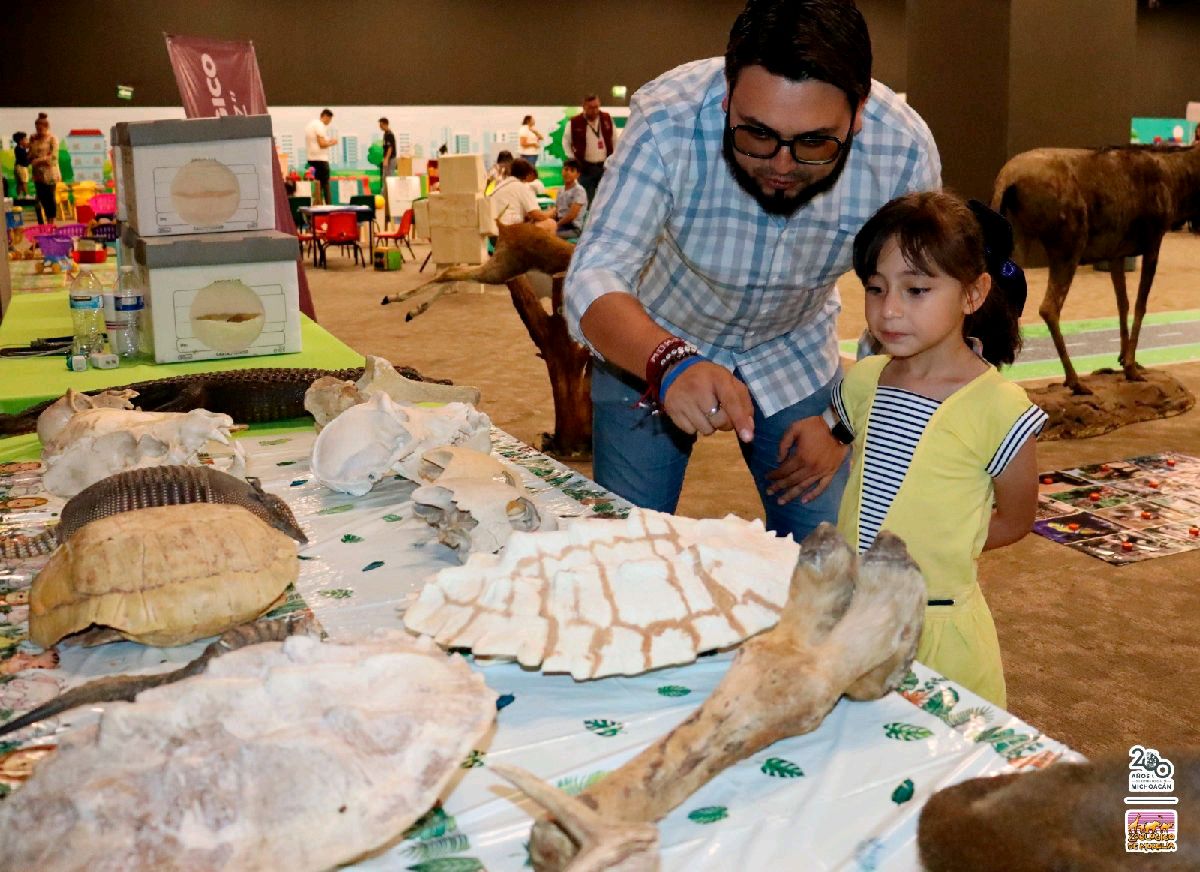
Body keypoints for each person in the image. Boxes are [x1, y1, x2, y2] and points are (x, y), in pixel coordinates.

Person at [564, 0, 939, 543]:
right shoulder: (668, 118)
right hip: (651, 342)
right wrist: (667, 363)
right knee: (627, 550)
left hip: (795, 350)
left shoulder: (902, 150)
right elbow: (594, 272)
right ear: (727, 97)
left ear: (859, 113)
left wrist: (845, 419)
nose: (781, 165)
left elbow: (914, 307)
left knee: (826, 557)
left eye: (814, 142)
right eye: (756, 134)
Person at [818, 191, 1045, 706]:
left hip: (939, 632)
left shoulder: (1000, 408)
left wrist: (946, 542)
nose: (889, 310)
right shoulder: (865, 381)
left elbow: (1015, 517)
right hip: (858, 617)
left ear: (973, 293)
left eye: (917, 289)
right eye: (876, 289)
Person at [562, 94, 616, 203]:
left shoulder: (607, 118)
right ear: (584, 107)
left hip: (605, 166)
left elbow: (614, 139)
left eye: (597, 107)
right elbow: (566, 142)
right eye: (591, 108)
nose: (595, 110)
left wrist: (614, 158)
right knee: (587, 200)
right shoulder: (574, 122)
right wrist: (573, 159)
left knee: (606, 199)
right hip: (585, 168)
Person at [489, 158, 555, 232]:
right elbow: (539, 216)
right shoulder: (520, 186)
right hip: (506, 232)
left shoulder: (501, 185)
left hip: (493, 231)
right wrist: (552, 212)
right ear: (528, 174)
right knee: (550, 224)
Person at [28, 114, 60, 224]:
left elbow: (54, 157)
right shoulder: (34, 139)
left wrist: (39, 160)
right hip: (38, 175)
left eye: (41, 128)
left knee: (50, 199)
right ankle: (45, 222)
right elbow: (31, 154)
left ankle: (52, 222)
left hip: (50, 174)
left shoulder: (52, 139)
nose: (38, 131)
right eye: (37, 128)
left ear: (46, 127)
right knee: (42, 199)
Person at [305, 109, 338, 205]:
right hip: (321, 161)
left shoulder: (310, 125)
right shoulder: (320, 125)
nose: (329, 122)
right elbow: (322, 144)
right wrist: (332, 142)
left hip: (311, 160)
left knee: (317, 185)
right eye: (329, 119)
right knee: (326, 185)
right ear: (326, 116)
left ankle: (317, 207)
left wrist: (328, 141)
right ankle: (329, 207)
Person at [551, 158, 588, 239]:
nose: (568, 173)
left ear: (577, 175)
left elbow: (572, 216)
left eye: (572, 170)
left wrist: (556, 225)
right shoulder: (560, 190)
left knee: (549, 236)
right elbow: (556, 210)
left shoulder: (579, 191)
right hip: (560, 225)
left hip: (573, 228)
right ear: (562, 171)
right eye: (566, 169)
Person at [12, 132, 30, 198]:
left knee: (20, 182)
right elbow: (25, 157)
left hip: (19, 166)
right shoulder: (19, 149)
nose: (26, 140)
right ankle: (27, 195)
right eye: (25, 139)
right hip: (21, 167)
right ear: (20, 141)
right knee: (24, 182)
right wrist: (30, 151)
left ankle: (19, 195)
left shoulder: (21, 148)